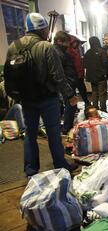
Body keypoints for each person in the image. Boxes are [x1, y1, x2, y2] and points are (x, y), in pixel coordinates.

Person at [4, 13, 77, 177]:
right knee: (53, 132)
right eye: (45, 28)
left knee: (30, 133)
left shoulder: (13, 46)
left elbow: (9, 76)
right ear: (42, 28)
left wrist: (16, 96)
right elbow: (58, 76)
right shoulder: (45, 47)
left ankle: (31, 169)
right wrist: (70, 94)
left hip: (27, 99)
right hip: (47, 98)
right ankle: (60, 164)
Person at [53, 31, 79, 135]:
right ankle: (65, 128)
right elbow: (59, 74)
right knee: (70, 105)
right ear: (59, 41)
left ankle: (66, 127)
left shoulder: (61, 52)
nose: (68, 45)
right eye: (66, 42)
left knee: (70, 106)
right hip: (66, 85)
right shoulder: (57, 53)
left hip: (68, 84)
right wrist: (69, 92)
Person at [84, 36, 108, 111]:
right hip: (101, 76)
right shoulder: (102, 51)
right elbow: (105, 63)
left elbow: (85, 64)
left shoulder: (88, 52)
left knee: (94, 93)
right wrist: (105, 72)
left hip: (92, 77)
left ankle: (95, 109)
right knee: (102, 93)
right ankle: (103, 110)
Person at [67, 35, 90, 106]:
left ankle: (86, 103)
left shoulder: (78, 50)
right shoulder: (69, 51)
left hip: (79, 75)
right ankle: (74, 106)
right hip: (72, 75)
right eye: (74, 43)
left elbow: (80, 63)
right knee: (73, 92)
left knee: (82, 90)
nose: (76, 44)